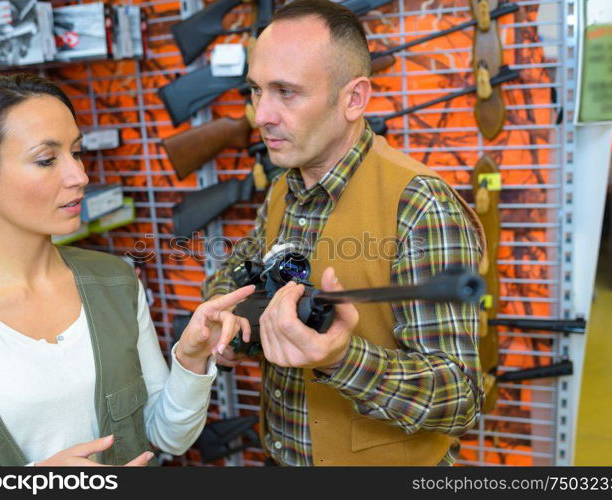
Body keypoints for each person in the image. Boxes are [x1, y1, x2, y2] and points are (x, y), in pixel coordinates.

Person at [203, 0, 487, 466]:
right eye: (256, 91)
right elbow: (236, 280)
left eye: (286, 92)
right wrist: (227, 325)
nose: (262, 116)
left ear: (354, 99)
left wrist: (339, 358)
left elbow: (458, 396)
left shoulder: (419, 205)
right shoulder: (283, 190)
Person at [0, 73, 254, 466]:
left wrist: (190, 358)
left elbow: (165, 436)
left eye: (77, 153)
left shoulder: (116, 281)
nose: (79, 176)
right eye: (47, 160)